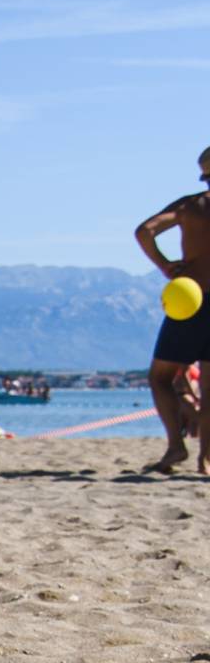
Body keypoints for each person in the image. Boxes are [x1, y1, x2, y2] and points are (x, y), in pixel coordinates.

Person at [133, 148, 210, 475]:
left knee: (160, 377)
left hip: (190, 299)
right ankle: (205, 459)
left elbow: (145, 231)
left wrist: (165, 266)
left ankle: (176, 447)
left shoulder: (191, 206)